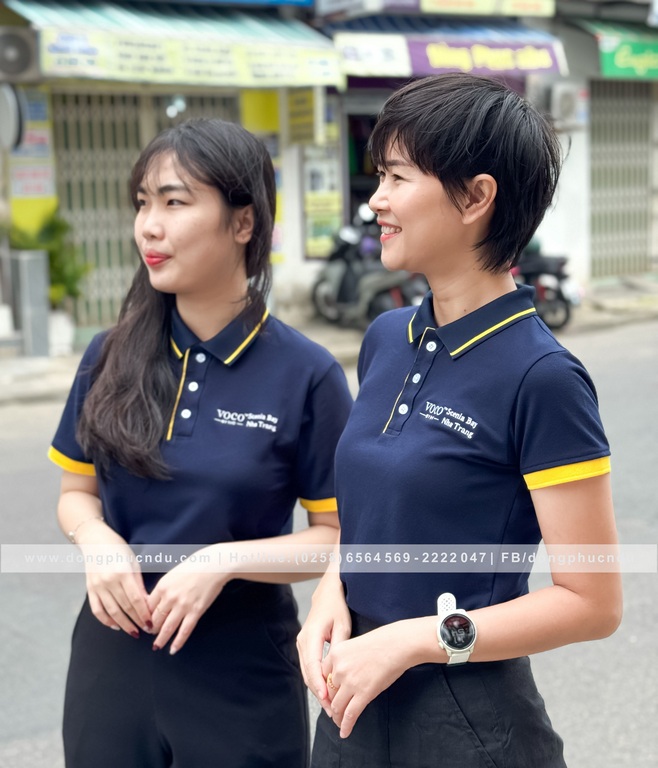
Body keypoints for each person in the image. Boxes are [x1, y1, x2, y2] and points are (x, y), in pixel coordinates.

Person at [297, 73, 622, 767]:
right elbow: (375, 516)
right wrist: (331, 590)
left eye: (397, 176)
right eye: (378, 176)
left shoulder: (543, 377)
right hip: (351, 708)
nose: (376, 200)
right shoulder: (386, 338)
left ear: (475, 197)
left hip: (469, 727)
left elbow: (592, 602)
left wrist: (415, 640)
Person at [48, 118, 353, 768]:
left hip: (240, 670)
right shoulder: (108, 355)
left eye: (174, 202)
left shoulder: (306, 373)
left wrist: (219, 561)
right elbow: (77, 493)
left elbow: (337, 538)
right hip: (111, 660)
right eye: (143, 203)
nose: (148, 227)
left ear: (243, 222)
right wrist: (96, 539)